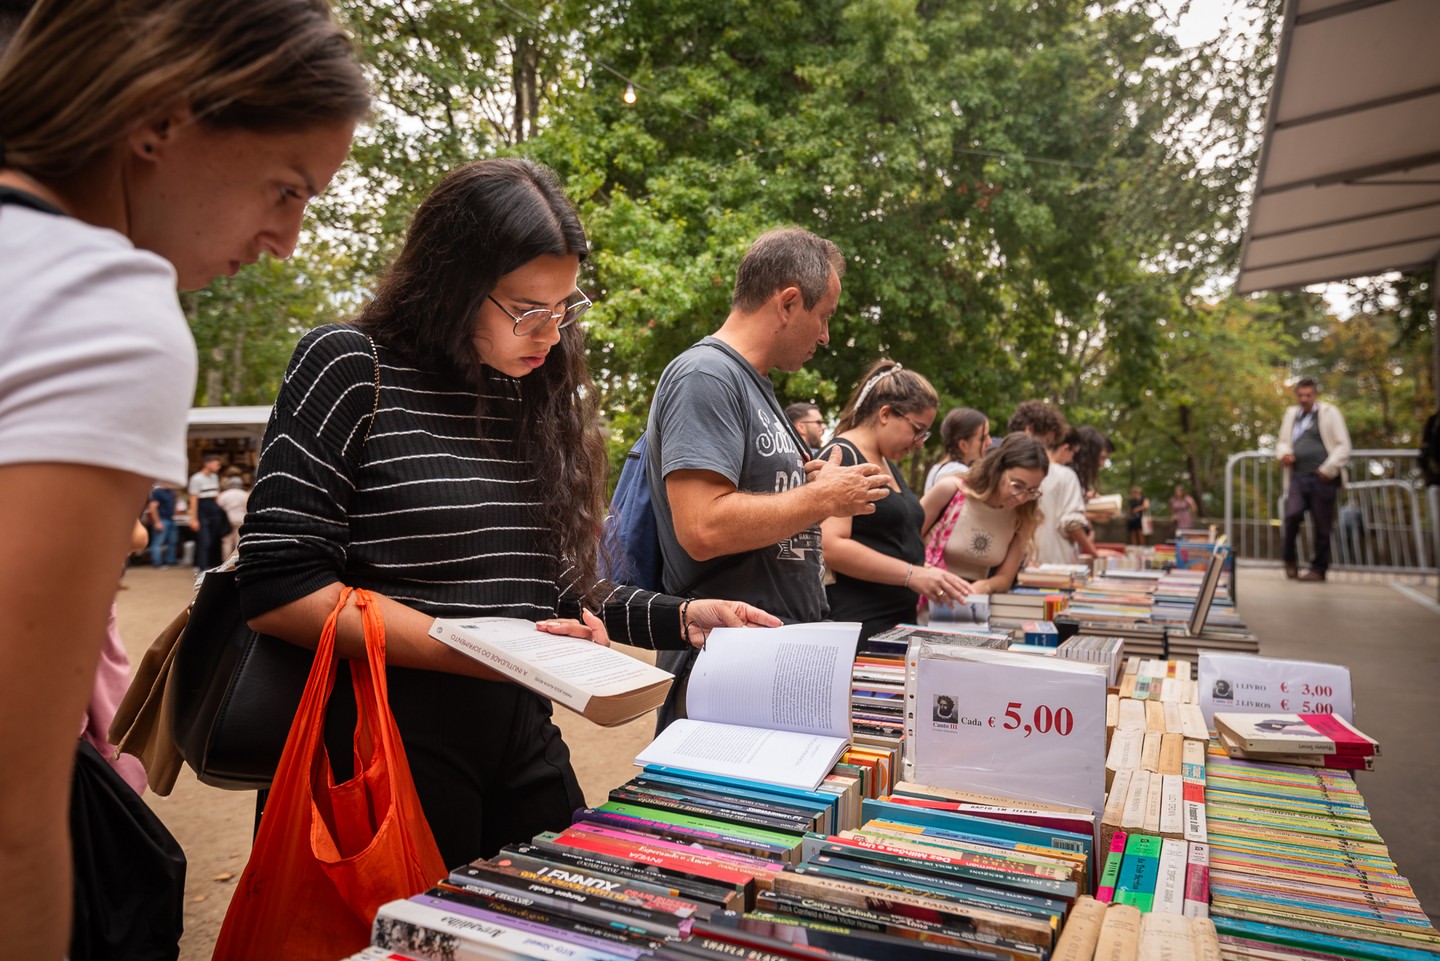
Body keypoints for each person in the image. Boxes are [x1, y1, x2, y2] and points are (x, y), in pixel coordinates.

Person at [236, 158, 779, 869]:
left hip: (518, 733)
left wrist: (682, 617)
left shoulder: (526, 394)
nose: (550, 334)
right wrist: (486, 649)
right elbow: (279, 587)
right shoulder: (349, 365)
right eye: (527, 310)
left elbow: (547, 591)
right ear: (452, 284)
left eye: (564, 308)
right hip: (376, 748)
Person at [0, 0, 368, 955]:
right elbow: (12, 799)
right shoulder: (102, 307)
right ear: (161, 117)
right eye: (286, 188)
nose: (286, 238)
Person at [645, 227, 893, 728]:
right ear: (788, 303)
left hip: (770, 659)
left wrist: (809, 489)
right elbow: (703, 527)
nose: (825, 336)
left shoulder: (754, 385)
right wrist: (821, 499)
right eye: (823, 316)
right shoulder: (706, 376)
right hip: (727, 665)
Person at [817, 360, 970, 643]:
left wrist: (923, 573)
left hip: (893, 621)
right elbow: (831, 546)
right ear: (885, 414)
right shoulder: (842, 456)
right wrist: (912, 574)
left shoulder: (885, 459)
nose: (920, 441)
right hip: (859, 624)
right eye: (917, 429)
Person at [919, 432, 1049, 601]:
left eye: (1032, 490)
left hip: (971, 603)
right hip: (924, 597)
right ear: (998, 470)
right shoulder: (951, 490)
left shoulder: (1022, 515)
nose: (1022, 498)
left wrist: (985, 585)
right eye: (1017, 486)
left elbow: (1005, 578)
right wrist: (927, 573)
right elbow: (904, 542)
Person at [1277, 376, 1351, 581]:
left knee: (1322, 525)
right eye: (1300, 395)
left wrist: (1328, 469)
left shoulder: (1329, 413)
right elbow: (1282, 442)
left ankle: (1318, 569)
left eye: (1308, 395)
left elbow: (1343, 445)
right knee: (1292, 516)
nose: (1304, 399)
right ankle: (1289, 558)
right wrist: (1285, 454)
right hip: (1298, 477)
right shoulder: (1292, 415)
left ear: (1315, 394)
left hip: (1323, 478)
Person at [1034, 427, 1102, 564]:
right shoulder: (1066, 475)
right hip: (1056, 558)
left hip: (1030, 557)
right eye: (1073, 453)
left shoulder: (1031, 471)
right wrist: (1094, 553)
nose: (1072, 459)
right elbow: (1072, 524)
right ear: (1065, 448)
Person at [923, 406, 990, 492]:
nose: (989, 442)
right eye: (983, 439)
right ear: (963, 445)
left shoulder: (936, 469)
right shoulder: (958, 472)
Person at [187, 453, 230, 570]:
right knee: (204, 540)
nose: (219, 467)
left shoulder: (214, 477)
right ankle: (202, 566)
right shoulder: (196, 478)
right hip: (203, 509)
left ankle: (214, 566)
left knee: (215, 539)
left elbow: (216, 494)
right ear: (207, 464)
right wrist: (193, 519)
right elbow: (193, 499)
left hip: (214, 508)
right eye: (217, 464)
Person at [216, 472, 250, 559]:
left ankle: (226, 561)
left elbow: (218, 506)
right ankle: (236, 561)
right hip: (241, 519)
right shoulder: (245, 494)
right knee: (238, 542)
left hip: (227, 519)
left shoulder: (224, 494)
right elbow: (248, 508)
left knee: (227, 541)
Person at [146, 482, 179, 568]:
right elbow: (153, 507)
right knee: (158, 542)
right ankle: (157, 563)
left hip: (171, 519)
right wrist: (157, 522)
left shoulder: (171, 492)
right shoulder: (157, 492)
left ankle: (171, 561)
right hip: (162, 519)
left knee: (172, 542)